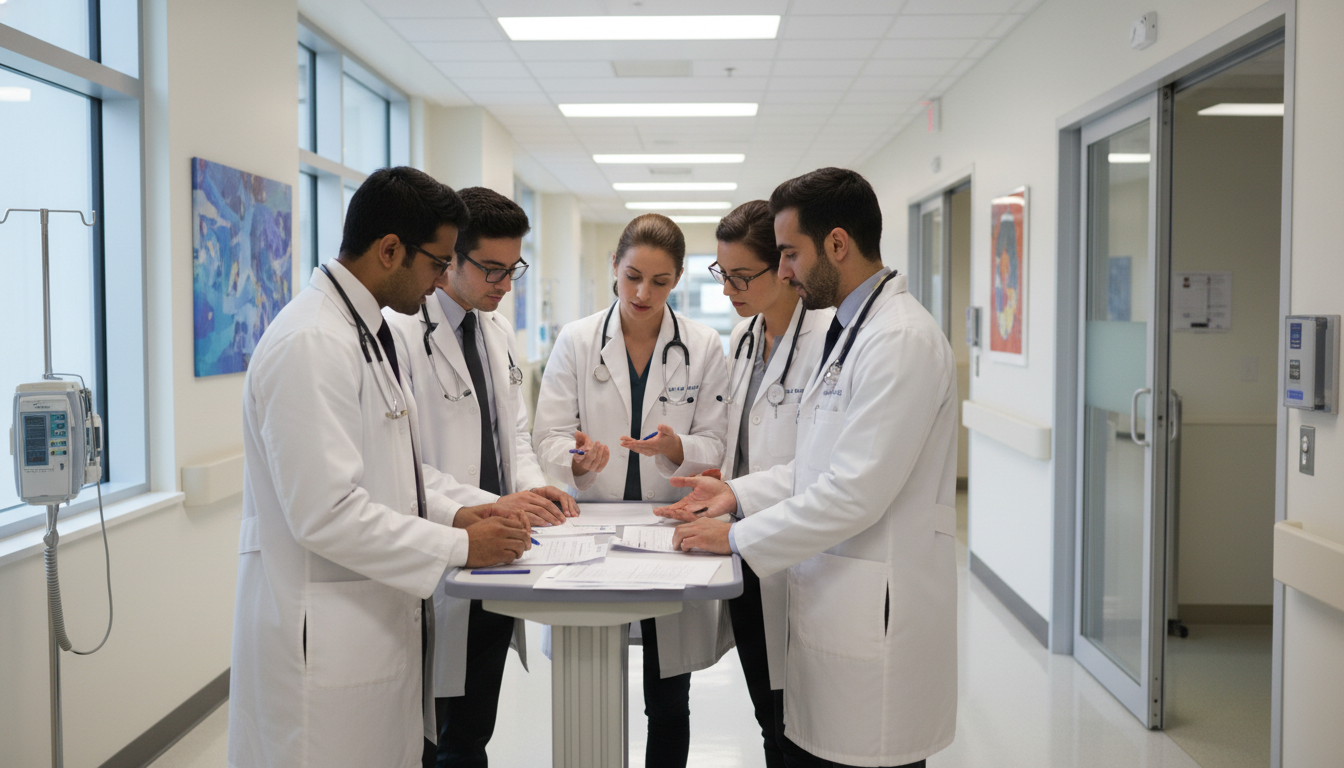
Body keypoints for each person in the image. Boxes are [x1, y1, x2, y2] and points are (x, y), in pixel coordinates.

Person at [228, 167, 533, 768]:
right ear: (390, 250)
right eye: (437, 263)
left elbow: (396, 474)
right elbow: (326, 514)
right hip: (323, 638)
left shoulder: (360, 333)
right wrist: (458, 545)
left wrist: (463, 510)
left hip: (370, 620)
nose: (444, 279)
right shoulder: (313, 343)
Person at [657, 168, 959, 768]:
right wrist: (735, 496)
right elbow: (817, 466)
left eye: (790, 252)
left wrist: (737, 535)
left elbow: (853, 494)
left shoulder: (899, 341)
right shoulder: (856, 332)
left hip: (872, 618)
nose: (785, 269)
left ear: (838, 244)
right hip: (830, 600)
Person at [383, 186, 578, 768]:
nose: (505, 284)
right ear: (450, 260)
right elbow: (406, 464)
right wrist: (490, 504)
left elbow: (511, 431)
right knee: (435, 735)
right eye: (491, 269)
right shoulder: (400, 334)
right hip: (442, 551)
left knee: (473, 728)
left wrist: (529, 487)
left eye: (513, 268)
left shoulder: (493, 329)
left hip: (498, 554)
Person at [531, 213, 732, 768]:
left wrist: (676, 450)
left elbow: (717, 443)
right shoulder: (576, 341)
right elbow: (546, 433)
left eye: (660, 281)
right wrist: (576, 457)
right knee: (589, 671)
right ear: (613, 268)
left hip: (672, 527)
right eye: (632, 276)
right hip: (590, 526)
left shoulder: (704, 345)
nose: (644, 293)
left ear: (679, 279)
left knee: (669, 699)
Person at [712, 200, 834, 768]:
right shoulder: (743, 339)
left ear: (783, 269)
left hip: (799, 552)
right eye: (723, 275)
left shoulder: (830, 341)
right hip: (744, 548)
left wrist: (738, 494)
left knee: (798, 721)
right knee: (769, 713)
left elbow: (820, 464)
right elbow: (734, 441)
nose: (730, 290)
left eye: (743, 276)